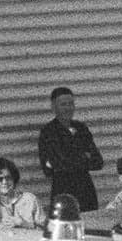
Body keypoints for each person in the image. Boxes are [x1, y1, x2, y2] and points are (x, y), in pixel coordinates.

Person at [36, 86, 104, 214]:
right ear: (53, 107)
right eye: (63, 104)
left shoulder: (81, 128)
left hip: (86, 189)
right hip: (62, 190)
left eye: (70, 104)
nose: (68, 108)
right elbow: (52, 167)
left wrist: (68, 158)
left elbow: (98, 162)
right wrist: (83, 156)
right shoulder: (48, 132)